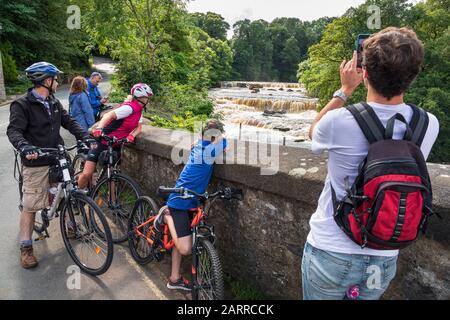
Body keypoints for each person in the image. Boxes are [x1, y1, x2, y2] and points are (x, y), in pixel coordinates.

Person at [302, 27, 440, 300]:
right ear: (413, 75)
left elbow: (312, 131)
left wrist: (344, 90)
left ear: (364, 71)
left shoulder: (338, 121)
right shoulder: (428, 123)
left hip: (331, 250)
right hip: (384, 254)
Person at [6, 62, 95, 269]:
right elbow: (14, 131)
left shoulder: (53, 102)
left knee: (66, 192)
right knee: (30, 205)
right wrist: (25, 146)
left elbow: (69, 122)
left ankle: (70, 224)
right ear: (47, 81)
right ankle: (26, 247)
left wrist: (86, 137)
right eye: (55, 79)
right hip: (36, 162)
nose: (57, 82)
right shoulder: (22, 105)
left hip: (58, 157)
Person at [153, 120, 227, 291]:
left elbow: (216, 141)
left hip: (190, 199)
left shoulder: (201, 146)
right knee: (185, 248)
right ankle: (166, 216)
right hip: (179, 202)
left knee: (182, 236)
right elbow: (224, 142)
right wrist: (219, 140)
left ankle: (174, 278)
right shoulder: (208, 151)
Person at [77, 83, 153, 189]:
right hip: (101, 141)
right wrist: (99, 128)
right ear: (140, 98)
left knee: (112, 177)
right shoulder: (128, 108)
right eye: (147, 97)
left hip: (115, 144)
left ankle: (112, 203)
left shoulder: (139, 110)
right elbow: (108, 115)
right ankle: (77, 196)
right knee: (87, 174)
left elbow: (139, 127)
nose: (148, 100)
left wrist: (132, 135)